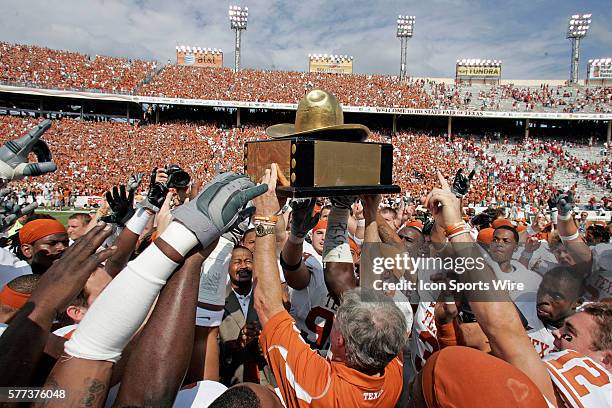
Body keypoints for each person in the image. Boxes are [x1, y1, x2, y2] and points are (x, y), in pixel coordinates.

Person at [252, 164, 407, 407]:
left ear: (340, 341)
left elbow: (267, 305)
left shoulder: (321, 387)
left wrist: (263, 218)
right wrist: (370, 214)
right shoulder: (392, 373)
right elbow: (373, 291)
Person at [219, 246, 268, 386]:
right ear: (227, 266)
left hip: (265, 380)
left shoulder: (266, 296)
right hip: (231, 381)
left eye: (248, 261)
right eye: (237, 262)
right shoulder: (218, 300)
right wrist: (235, 344)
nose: (243, 266)